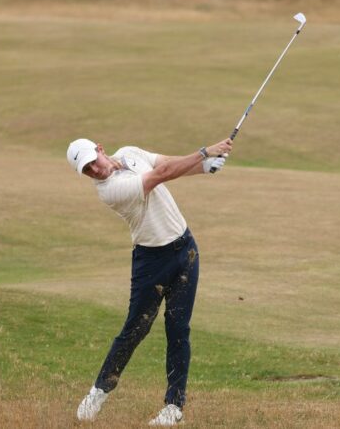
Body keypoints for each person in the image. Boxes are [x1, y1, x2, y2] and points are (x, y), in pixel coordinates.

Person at [66, 137, 233, 426]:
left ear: (100, 149)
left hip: (185, 250)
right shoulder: (110, 191)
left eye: (93, 162)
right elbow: (161, 175)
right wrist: (205, 152)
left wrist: (204, 167)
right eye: (87, 170)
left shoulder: (129, 152)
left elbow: (165, 163)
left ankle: (173, 407)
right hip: (151, 260)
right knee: (135, 329)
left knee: (178, 329)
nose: (94, 170)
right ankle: (99, 391)